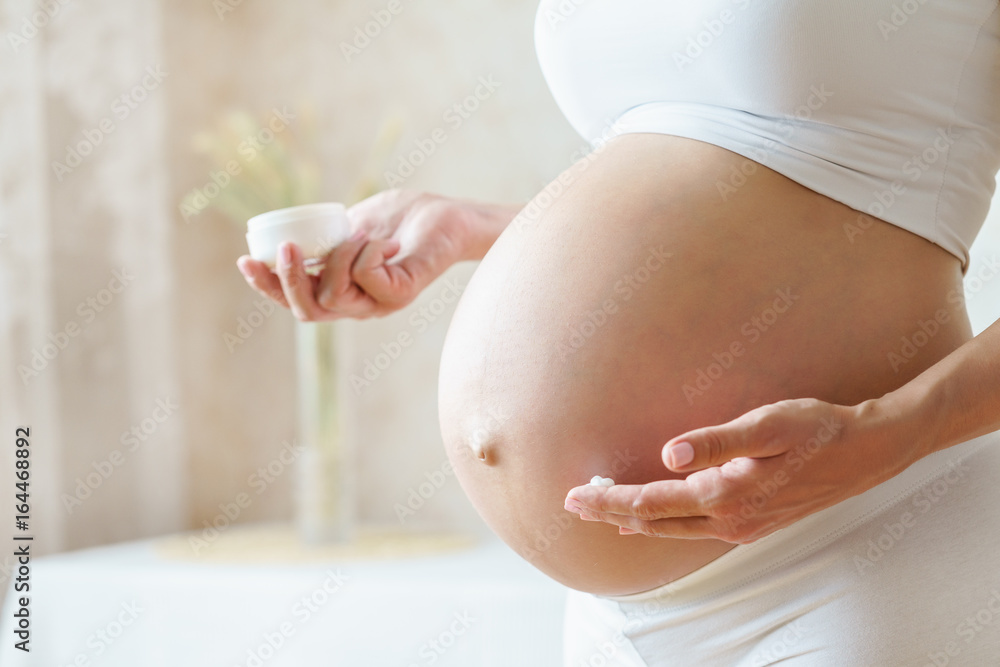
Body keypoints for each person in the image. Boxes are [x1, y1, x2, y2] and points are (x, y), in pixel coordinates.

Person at [238, 1, 1000, 663]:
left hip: (862, 546)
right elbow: (701, 204)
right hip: (616, 615)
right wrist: (478, 229)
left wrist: (892, 429)